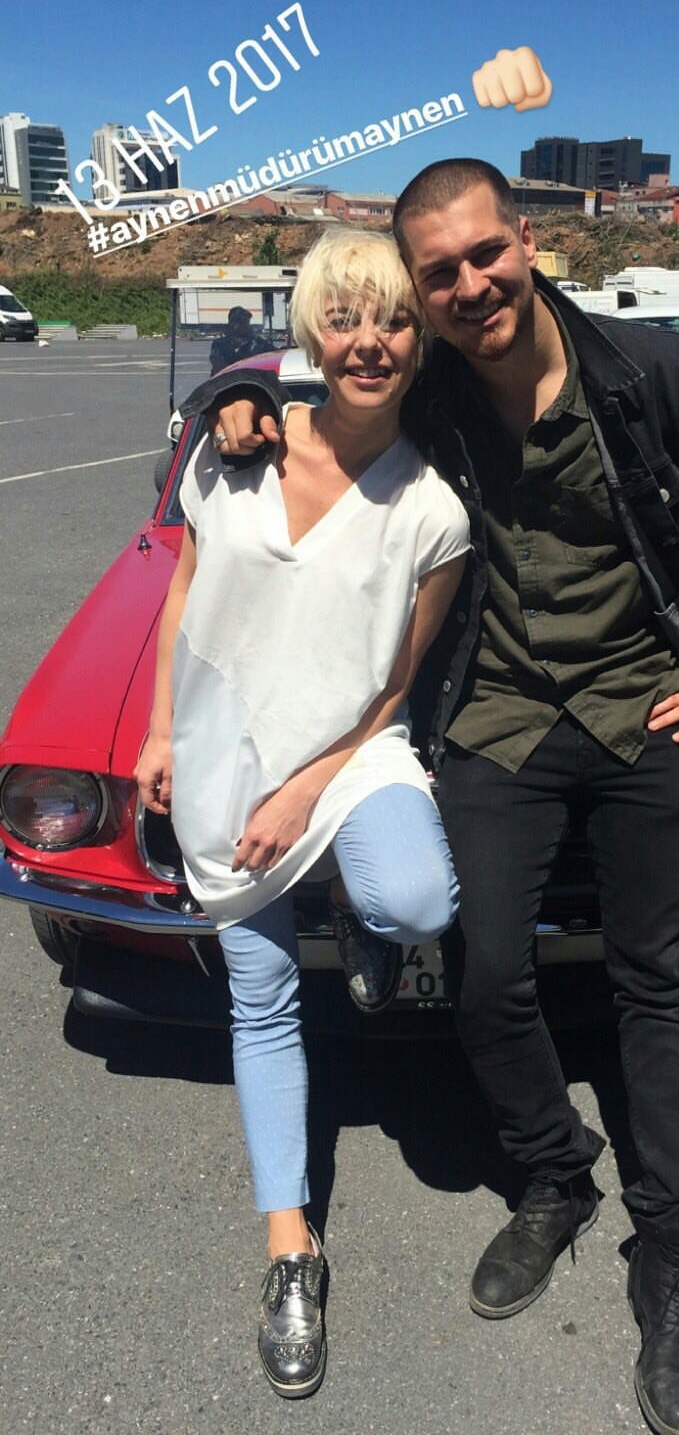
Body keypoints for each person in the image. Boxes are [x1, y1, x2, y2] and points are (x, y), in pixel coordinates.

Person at [204, 160, 679, 1435]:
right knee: (486, 976)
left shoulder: (647, 375)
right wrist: (233, 402)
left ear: (527, 242)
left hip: (644, 705)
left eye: (484, 253)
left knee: (655, 981)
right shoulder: (430, 385)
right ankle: (555, 1175)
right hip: (500, 715)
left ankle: (671, 1251)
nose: (469, 284)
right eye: (440, 273)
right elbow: (322, 387)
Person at [135, 229, 470, 1399]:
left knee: (415, 898)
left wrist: (305, 787)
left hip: (350, 746)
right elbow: (183, 586)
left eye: (392, 320)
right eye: (344, 318)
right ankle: (290, 1246)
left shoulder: (435, 509)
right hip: (225, 745)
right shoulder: (238, 447)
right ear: (311, 337)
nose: (368, 341)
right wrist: (164, 731)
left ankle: (357, 914)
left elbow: (394, 685)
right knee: (264, 998)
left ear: (418, 343)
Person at [209, 304, 272, 373]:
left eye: (247, 323)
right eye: (244, 323)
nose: (247, 327)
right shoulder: (220, 344)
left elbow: (273, 352)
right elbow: (221, 367)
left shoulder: (256, 342)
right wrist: (245, 348)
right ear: (233, 324)